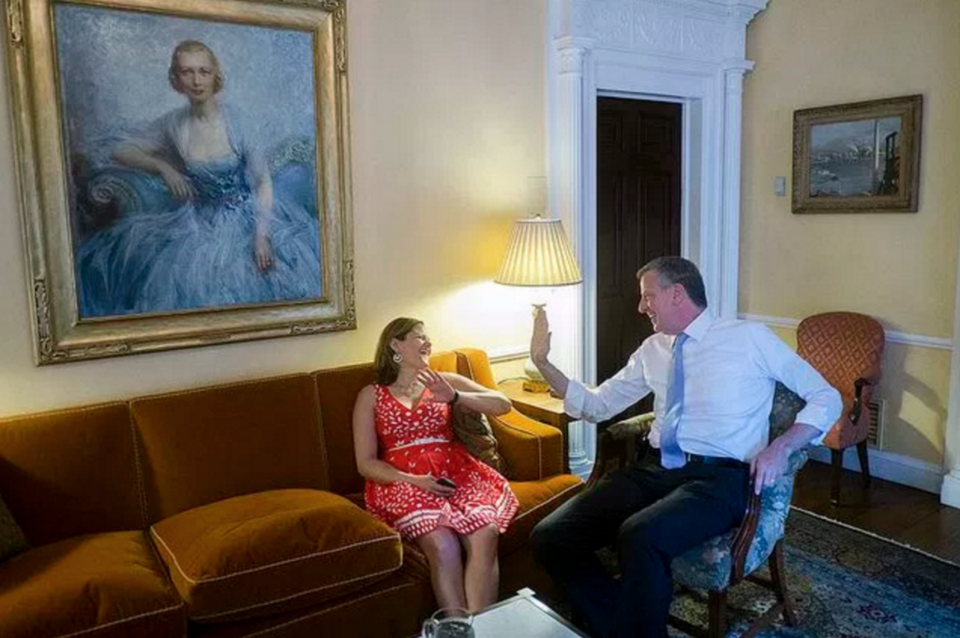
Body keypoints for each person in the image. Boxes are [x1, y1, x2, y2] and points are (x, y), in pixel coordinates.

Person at [528, 256, 841, 638]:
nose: (642, 307)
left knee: (639, 535)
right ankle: (622, 627)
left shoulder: (749, 339)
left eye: (648, 296)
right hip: (653, 468)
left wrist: (781, 446)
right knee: (550, 536)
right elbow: (597, 405)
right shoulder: (652, 349)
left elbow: (826, 397)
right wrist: (542, 363)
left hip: (719, 478)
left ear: (677, 293)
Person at [76, 40, 321, 317]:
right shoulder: (174, 124)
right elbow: (120, 150)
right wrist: (161, 166)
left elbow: (263, 181)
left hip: (248, 218)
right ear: (176, 78)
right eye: (187, 72)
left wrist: (261, 236)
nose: (196, 81)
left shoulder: (237, 122)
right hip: (198, 220)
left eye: (203, 71)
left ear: (216, 75)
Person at [353, 318, 520, 612]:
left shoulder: (444, 381)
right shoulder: (371, 395)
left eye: (428, 337)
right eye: (419, 337)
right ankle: (456, 629)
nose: (428, 343)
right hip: (404, 481)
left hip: (457, 473)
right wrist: (415, 480)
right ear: (395, 344)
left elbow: (503, 404)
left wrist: (455, 397)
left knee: (485, 533)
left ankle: (481, 629)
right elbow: (365, 463)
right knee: (443, 546)